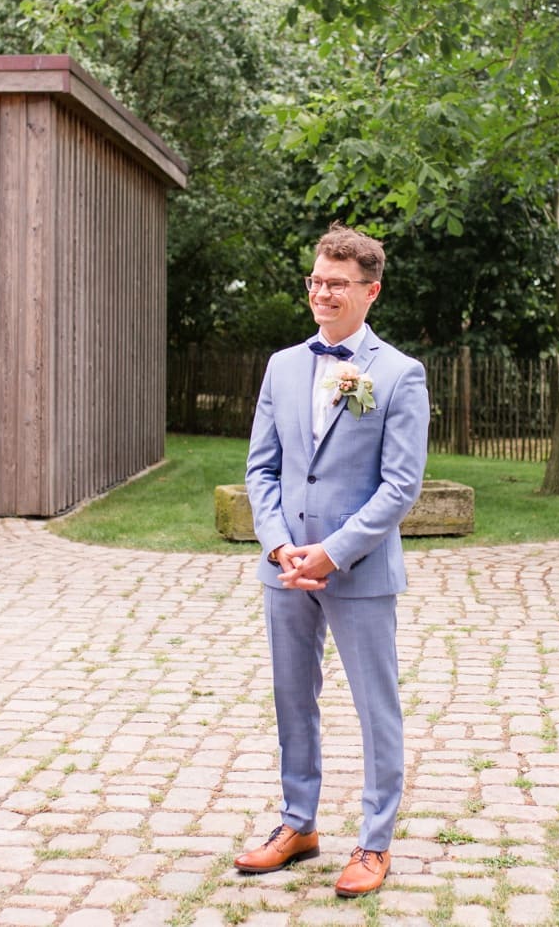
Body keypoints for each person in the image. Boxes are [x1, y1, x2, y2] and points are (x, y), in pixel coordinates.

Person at [237, 224, 429, 897]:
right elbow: (262, 468)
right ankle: (298, 824)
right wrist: (278, 542)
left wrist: (334, 551)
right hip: (284, 566)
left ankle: (374, 843)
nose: (321, 293)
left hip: (359, 569)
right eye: (315, 281)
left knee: (377, 706)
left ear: (370, 291)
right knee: (293, 699)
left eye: (336, 284)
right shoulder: (283, 366)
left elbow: (401, 486)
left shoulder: (400, 374)